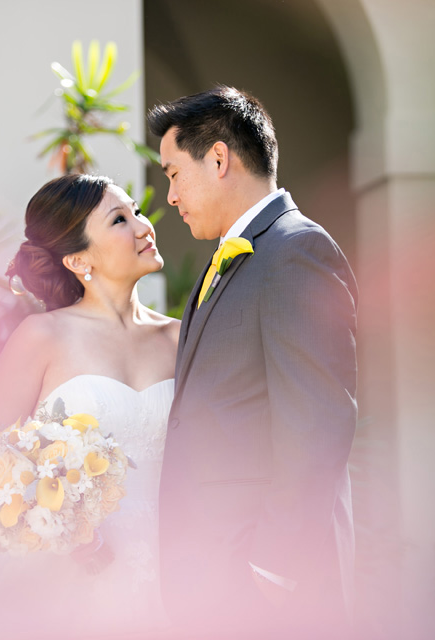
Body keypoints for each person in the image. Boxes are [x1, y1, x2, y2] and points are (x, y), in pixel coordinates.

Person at [148, 86, 358, 638]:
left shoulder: (296, 251)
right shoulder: (227, 259)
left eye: (172, 173)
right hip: (214, 583)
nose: (168, 195)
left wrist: (273, 571)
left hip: (264, 593)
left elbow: (319, 420)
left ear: (218, 159)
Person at [0, 174, 179, 639]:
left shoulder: (183, 338)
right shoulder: (43, 337)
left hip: (168, 567)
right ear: (79, 259)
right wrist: (66, 530)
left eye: (137, 212)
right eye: (120, 220)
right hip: (64, 572)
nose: (144, 227)